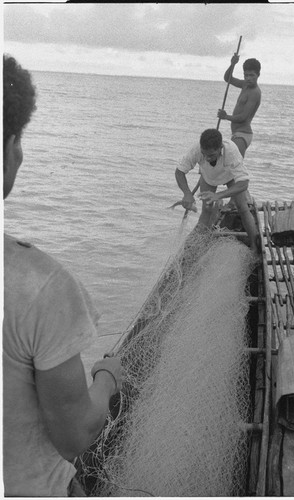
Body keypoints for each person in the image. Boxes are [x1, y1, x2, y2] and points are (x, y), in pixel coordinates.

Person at [3, 54, 125, 497]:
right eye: (18, 140)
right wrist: (107, 377)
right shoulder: (39, 287)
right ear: (9, 147)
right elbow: (74, 436)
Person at [175, 128, 259, 254]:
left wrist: (218, 195)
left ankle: (256, 247)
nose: (207, 158)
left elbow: (243, 184)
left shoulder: (231, 150)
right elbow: (179, 172)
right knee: (207, 210)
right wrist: (187, 193)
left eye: (212, 155)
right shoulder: (196, 150)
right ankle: (195, 248)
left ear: (220, 148)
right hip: (208, 177)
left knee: (243, 208)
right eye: (204, 154)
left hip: (231, 176)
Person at [217, 55, 261, 210]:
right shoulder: (244, 86)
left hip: (243, 135)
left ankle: (234, 202)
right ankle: (241, 198)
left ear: (258, 75)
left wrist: (225, 116)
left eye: (252, 75)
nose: (249, 78)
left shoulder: (255, 92)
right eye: (246, 75)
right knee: (233, 167)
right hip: (237, 134)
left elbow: (243, 117)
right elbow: (227, 78)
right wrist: (232, 64)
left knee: (235, 169)